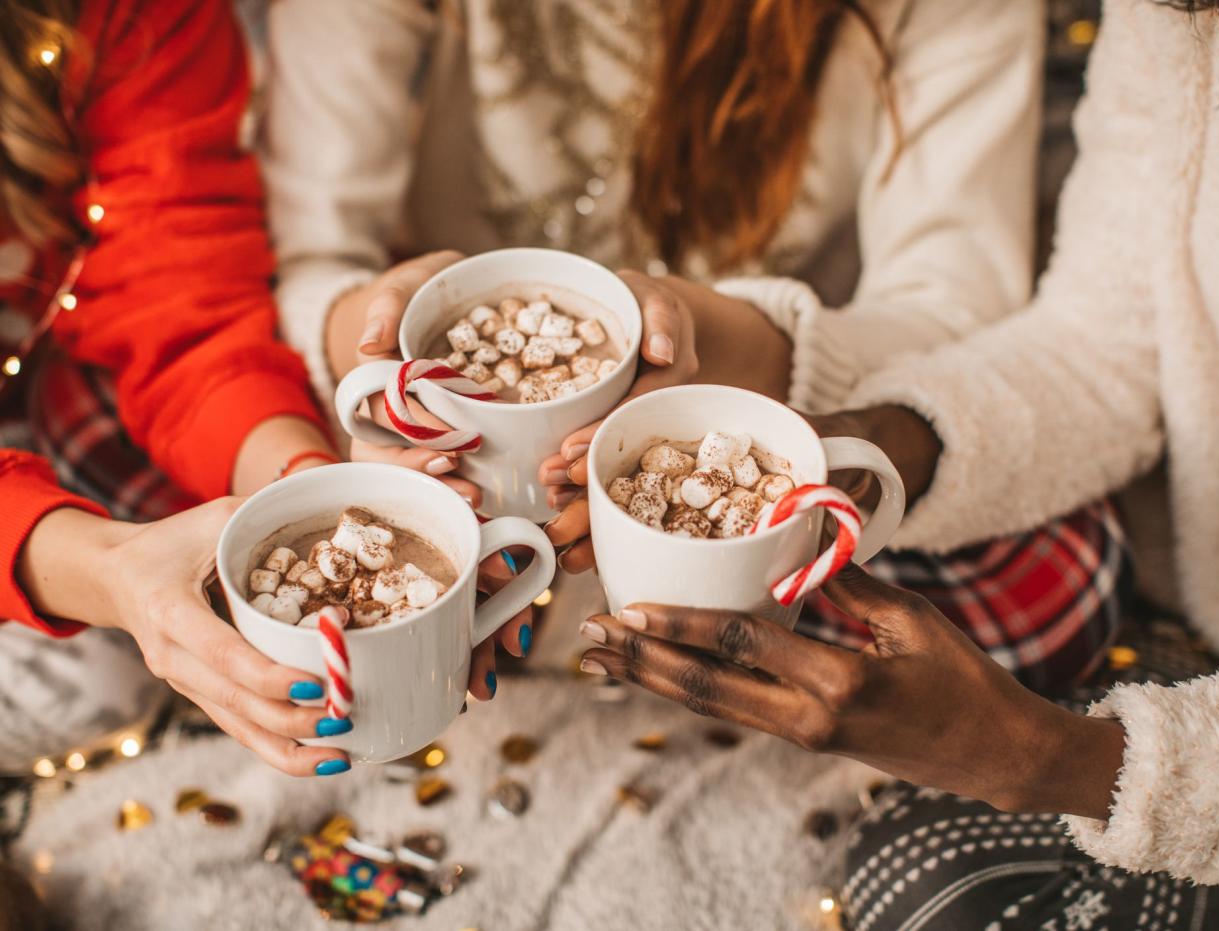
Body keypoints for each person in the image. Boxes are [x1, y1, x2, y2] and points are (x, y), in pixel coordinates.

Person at [577, 0, 1219, 923]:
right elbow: (1104, 342)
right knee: (913, 861)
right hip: (1207, 606)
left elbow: (952, 292)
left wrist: (1050, 759)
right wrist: (876, 441)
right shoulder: (1183, 15)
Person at [268, 0, 1128, 692]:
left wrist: (712, 333)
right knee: (244, 478)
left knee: (1045, 571)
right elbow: (307, 256)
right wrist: (375, 339)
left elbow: (953, 313)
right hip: (458, 450)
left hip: (772, 417)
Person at [0, 0, 524, 778]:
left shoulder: (119, 18)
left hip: (50, 346)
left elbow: (177, 301)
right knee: (84, 690)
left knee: (226, 512)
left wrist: (305, 485)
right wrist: (102, 570)